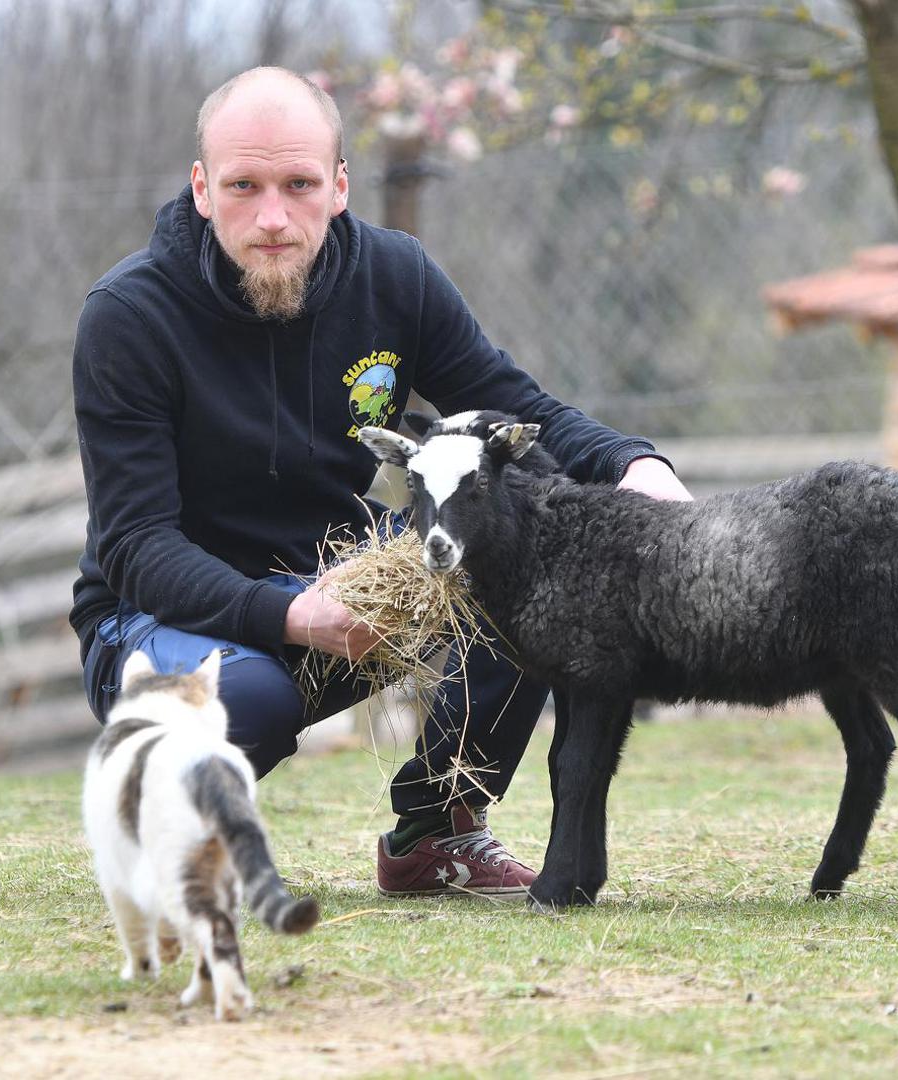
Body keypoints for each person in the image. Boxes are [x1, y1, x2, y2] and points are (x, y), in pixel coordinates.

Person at [70, 66, 692, 897]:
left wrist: (634, 465)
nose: (273, 217)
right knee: (247, 700)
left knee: (529, 558)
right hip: (159, 616)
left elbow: (518, 412)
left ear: (339, 186)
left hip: (337, 580)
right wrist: (291, 616)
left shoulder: (395, 277)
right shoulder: (128, 316)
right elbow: (137, 545)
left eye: (298, 185)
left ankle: (437, 831)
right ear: (202, 189)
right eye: (244, 186)